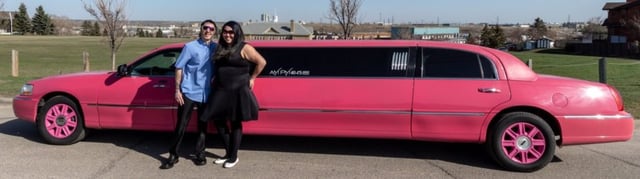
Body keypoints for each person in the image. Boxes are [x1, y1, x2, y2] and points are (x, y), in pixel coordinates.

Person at [201, 21, 266, 168]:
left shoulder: (244, 47)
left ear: (237, 33)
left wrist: (252, 78)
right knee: (218, 120)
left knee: (235, 122)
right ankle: (228, 153)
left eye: (231, 32)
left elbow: (261, 62)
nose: (228, 34)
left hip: (238, 90)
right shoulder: (220, 47)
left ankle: (234, 156)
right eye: (225, 31)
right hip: (221, 89)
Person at [159, 19, 217, 170]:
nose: (208, 31)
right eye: (205, 28)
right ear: (201, 29)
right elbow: (179, 67)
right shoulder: (190, 47)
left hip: (207, 93)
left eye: (211, 29)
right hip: (189, 92)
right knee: (181, 125)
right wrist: (177, 90)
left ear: (214, 31)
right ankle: (173, 155)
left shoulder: (216, 48)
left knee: (203, 125)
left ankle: (200, 153)